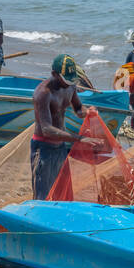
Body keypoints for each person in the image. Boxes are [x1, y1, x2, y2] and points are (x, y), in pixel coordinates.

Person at [29, 55, 99, 200]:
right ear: (54, 74)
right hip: (43, 149)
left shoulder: (70, 86)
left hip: (60, 147)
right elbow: (47, 129)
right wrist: (79, 139)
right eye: (66, 79)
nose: (69, 83)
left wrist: (88, 112)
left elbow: (78, 108)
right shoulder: (43, 93)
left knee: (63, 191)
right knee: (42, 194)